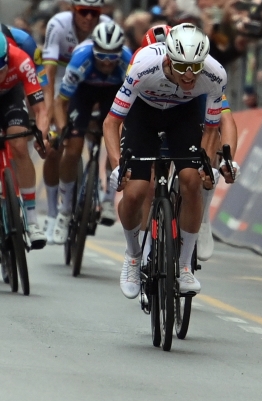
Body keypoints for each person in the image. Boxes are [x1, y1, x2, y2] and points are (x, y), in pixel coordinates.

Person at [103, 23, 238, 299]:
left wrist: (208, 167)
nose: (189, 75)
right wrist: (117, 166)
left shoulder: (214, 74)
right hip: (144, 115)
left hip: (183, 116)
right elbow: (111, 121)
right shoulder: (143, 66)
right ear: (167, 59)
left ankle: (185, 265)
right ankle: (132, 256)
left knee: (191, 180)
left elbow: (213, 128)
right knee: (136, 190)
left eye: (195, 67)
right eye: (181, 67)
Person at [130, 24, 239, 263]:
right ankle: (148, 246)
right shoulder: (143, 67)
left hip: (190, 112)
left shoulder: (202, 76)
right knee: (147, 184)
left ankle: (201, 216)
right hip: (151, 116)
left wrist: (226, 159)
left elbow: (225, 120)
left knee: (201, 168)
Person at [52, 21, 132, 244]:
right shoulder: (81, 60)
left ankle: (108, 200)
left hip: (114, 94)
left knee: (117, 139)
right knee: (73, 147)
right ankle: (64, 210)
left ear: (120, 54)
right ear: (93, 51)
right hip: (83, 93)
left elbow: (135, 103)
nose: (107, 63)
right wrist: (62, 130)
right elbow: (60, 103)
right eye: (102, 57)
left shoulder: (128, 61)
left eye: (112, 58)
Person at [42, 0, 111, 244]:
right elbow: (48, 76)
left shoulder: (107, 29)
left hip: (90, 83)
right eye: (84, 12)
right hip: (62, 80)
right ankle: (53, 214)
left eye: (95, 12)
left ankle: (95, 176)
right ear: (73, 9)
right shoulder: (58, 26)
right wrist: (50, 114)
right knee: (54, 149)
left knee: (94, 130)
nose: (89, 18)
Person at [0, 35, 50, 248]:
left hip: (11, 96)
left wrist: (42, 136)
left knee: (19, 142)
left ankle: (31, 219)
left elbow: (40, 109)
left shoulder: (21, 59)